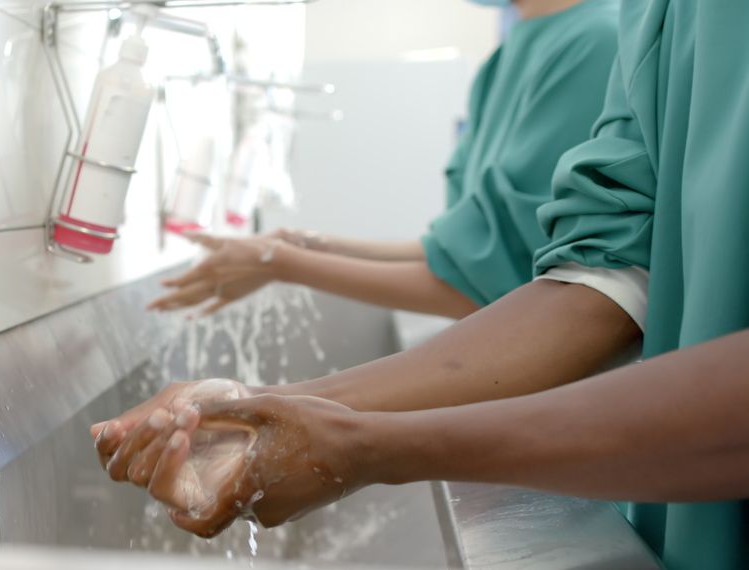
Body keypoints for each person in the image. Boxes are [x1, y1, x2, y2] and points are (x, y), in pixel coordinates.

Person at [95, 1, 749, 568]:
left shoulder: (595, 36)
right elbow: (602, 277)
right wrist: (260, 406)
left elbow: (481, 271)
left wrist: (362, 446)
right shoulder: (654, 15)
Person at [148, 0, 620, 320]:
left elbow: (496, 287)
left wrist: (283, 263)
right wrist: (307, 244)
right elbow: (465, 252)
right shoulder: (508, 56)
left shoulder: (599, 42)